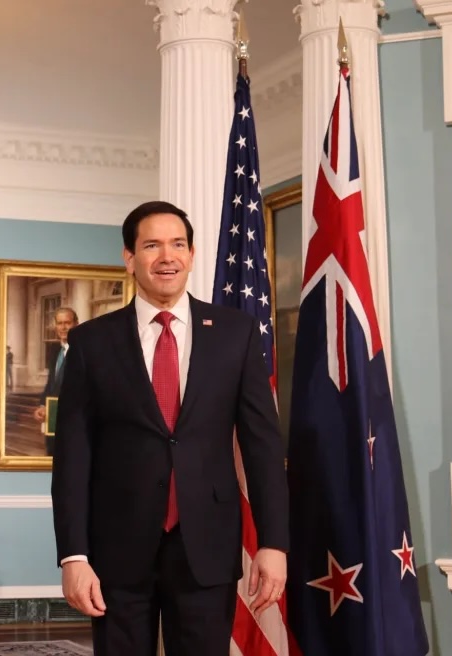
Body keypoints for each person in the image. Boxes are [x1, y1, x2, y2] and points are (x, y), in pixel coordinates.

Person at [50, 201, 288, 655]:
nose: (167, 256)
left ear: (192, 254)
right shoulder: (91, 343)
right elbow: (73, 458)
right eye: (152, 245)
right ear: (129, 257)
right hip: (116, 552)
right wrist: (74, 556)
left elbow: (262, 446)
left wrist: (273, 542)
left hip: (208, 546)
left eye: (178, 244)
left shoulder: (235, 333)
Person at [34, 306, 78, 455]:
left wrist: (53, 407)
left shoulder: (84, 352)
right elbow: (51, 385)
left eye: (67, 322)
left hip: (73, 426)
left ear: (76, 324)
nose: (63, 327)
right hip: (52, 425)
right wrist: (42, 405)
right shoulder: (55, 351)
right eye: (59, 323)